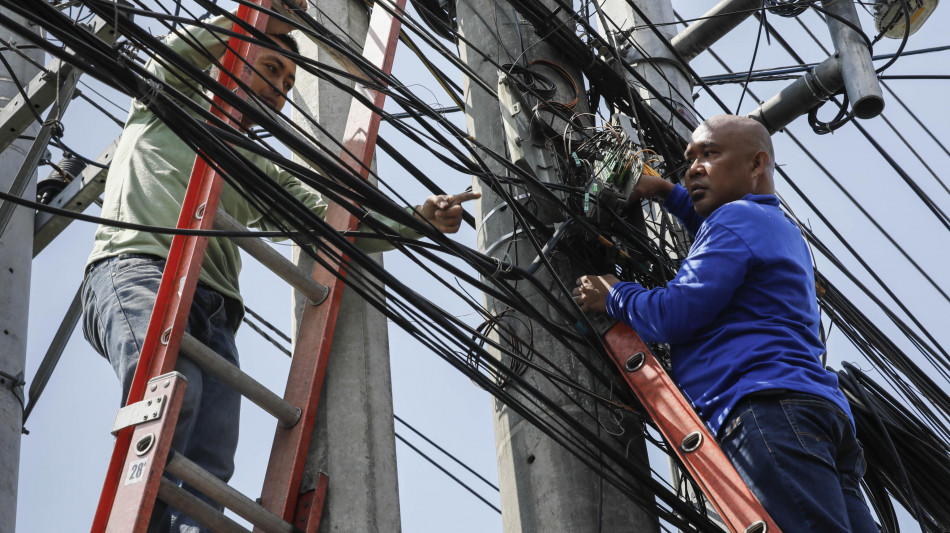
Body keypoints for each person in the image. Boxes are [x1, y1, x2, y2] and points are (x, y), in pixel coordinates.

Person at [80, 6, 478, 532]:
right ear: (228, 58)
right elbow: (182, 50)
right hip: (137, 269)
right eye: (271, 70)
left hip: (216, 312)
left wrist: (416, 221)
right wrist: (267, 14)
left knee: (213, 458)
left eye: (289, 83)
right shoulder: (166, 98)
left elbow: (329, 225)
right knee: (174, 399)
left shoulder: (260, 167)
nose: (280, 90)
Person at [572, 115, 877, 532]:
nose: (694, 167)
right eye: (690, 158)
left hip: (763, 409)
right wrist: (665, 191)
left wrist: (615, 295)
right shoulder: (776, 227)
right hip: (817, 415)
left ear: (756, 165)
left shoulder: (733, 222)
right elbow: (719, 230)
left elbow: (673, 315)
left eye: (710, 154)